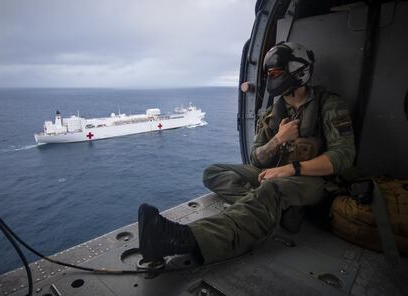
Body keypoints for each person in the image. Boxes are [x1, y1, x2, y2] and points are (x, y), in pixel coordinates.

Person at [138, 42, 355, 265]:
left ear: (298, 71)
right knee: (213, 172)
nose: (271, 77)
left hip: (312, 182)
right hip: (273, 175)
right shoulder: (273, 112)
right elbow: (255, 158)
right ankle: (271, 209)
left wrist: (289, 169)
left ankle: (186, 239)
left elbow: (344, 156)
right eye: (269, 73)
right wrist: (279, 139)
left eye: (276, 72)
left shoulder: (328, 105)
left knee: (271, 188)